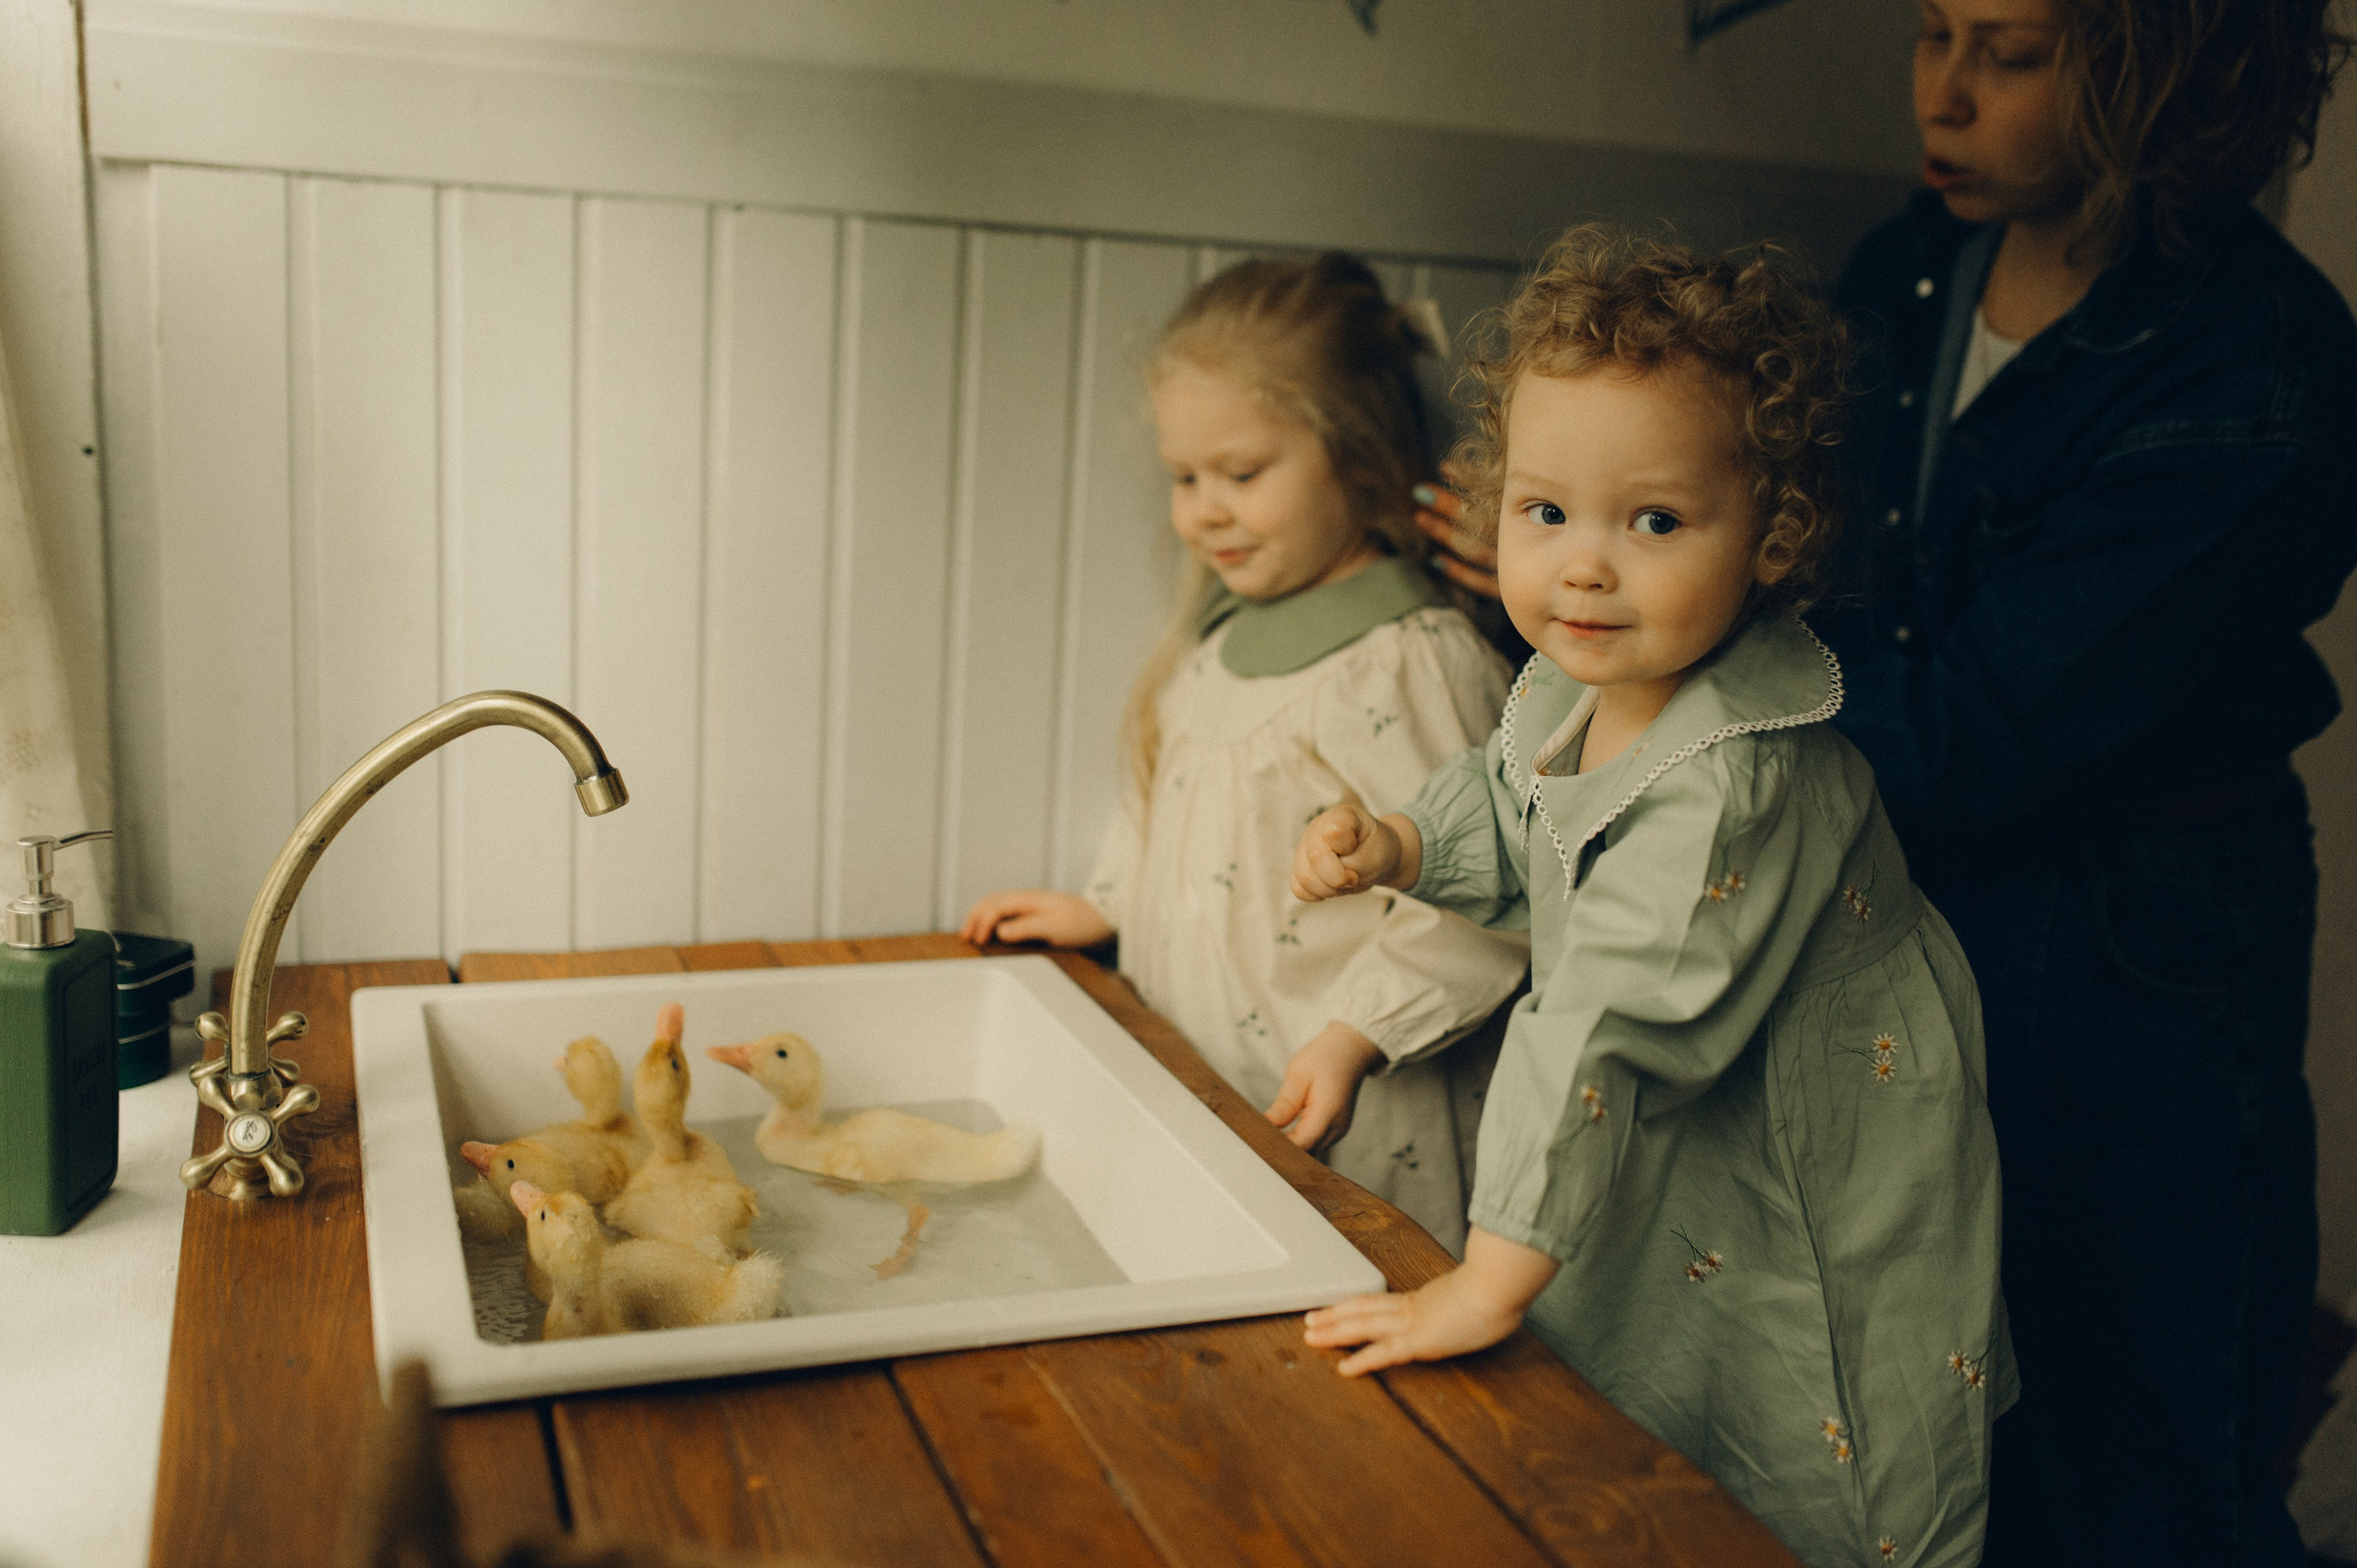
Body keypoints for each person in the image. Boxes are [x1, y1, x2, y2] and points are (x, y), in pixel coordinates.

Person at [1294, 227, 2010, 1568]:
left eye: (1657, 522)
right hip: (1684, 1118)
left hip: (1809, 1150)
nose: (1584, 565)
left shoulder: (1735, 773)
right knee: (1651, 1385)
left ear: (1773, 536)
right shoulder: (1572, 681)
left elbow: (1607, 1012)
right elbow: (1510, 805)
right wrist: (1396, 839)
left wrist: (1487, 1273)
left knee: (1802, 1423)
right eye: (1545, 511)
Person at [1823, 4, 2357, 1562]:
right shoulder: (1906, 269)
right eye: (1932, 30)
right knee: (1934, 1397)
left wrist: (1680, 671)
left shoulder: (2260, 358)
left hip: (2142, 942)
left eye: (2014, 49)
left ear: (2158, 68)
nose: (1947, 89)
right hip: (1902, 884)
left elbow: (1986, 728)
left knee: (2140, 1432)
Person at [959, 252, 1529, 1253]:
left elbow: (1489, 888)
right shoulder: (1220, 646)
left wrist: (1359, 1035)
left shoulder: (1404, 662)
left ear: (1357, 457)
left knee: (1351, 1287)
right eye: (1185, 478)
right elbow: (1181, 820)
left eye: (1241, 473)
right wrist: (1108, 903)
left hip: (1359, 1114)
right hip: (1216, 1082)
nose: (1204, 509)